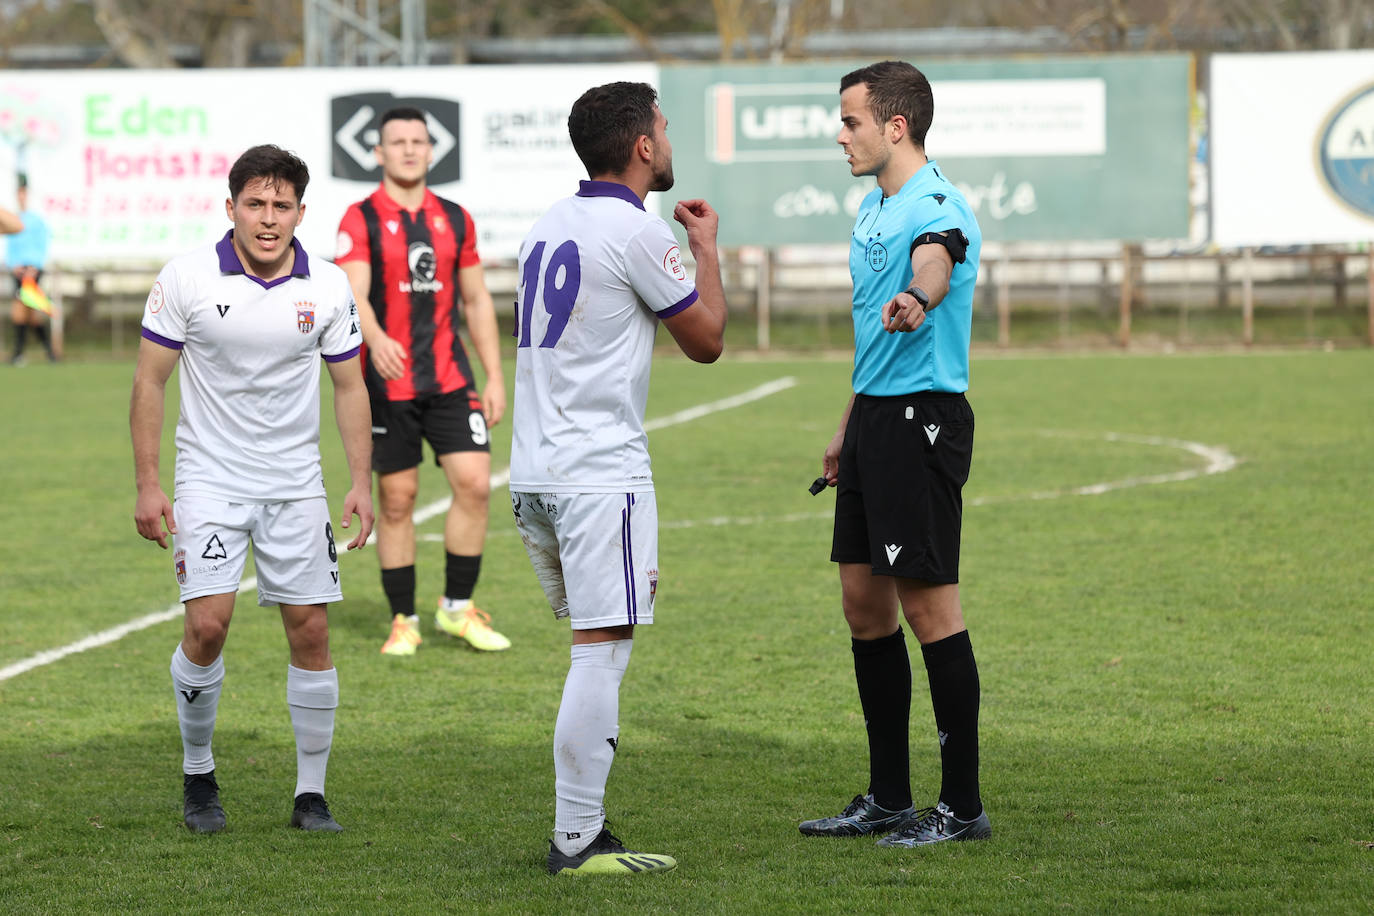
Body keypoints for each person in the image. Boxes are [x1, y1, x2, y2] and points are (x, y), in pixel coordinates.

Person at [509, 81, 727, 876]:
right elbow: (705, 340)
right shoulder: (637, 231)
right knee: (600, 651)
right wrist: (705, 249)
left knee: (592, 646)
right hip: (598, 473)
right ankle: (578, 838)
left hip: (535, 466)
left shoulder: (546, 225)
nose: (669, 141)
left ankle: (583, 826)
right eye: (664, 129)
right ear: (642, 146)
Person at [131, 144, 374, 834]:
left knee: (311, 629)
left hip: (295, 485)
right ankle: (199, 774)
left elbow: (350, 385)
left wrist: (359, 480)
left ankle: (310, 795)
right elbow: (150, 381)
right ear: (230, 206)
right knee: (207, 626)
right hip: (209, 476)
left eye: (282, 206)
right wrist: (149, 485)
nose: (268, 219)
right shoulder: (186, 278)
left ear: (301, 211)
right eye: (255, 204)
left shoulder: (326, 285)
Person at [798, 61, 989, 848]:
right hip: (876, 419)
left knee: (928, 609)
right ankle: (888, 796)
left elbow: (938, 259)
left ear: (895, 126)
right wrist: (848, 422)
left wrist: (920, 294)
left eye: (851, 121)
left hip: (922, 420)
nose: (840, 134)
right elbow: (871, 338)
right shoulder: (874, 207)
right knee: (863, 605)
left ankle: (963, 807)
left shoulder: (935, 204)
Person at [335, 107, 509, 657]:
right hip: (388, 384)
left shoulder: (455, 218)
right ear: (379, 153)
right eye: (397, 141)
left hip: (451, 378)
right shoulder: (360, 218)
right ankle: (403, 619)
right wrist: (377, 336)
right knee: (397, 499)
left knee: (476, 483)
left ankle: (457, 608)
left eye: (418, 141)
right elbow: (352, 292)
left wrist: (496, 374)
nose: (409, 149)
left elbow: (477, 299)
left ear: (432, 152)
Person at [6, 180, 55, 365]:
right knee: (30, 311)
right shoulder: (14, 219)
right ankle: (49, 353)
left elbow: (42, 245)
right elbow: (9, 246)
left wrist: (35, 266)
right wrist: (13, 265)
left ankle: (19, 354)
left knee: (22, 309)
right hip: (18, 271)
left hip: (32, 271)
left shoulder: (36, 221)